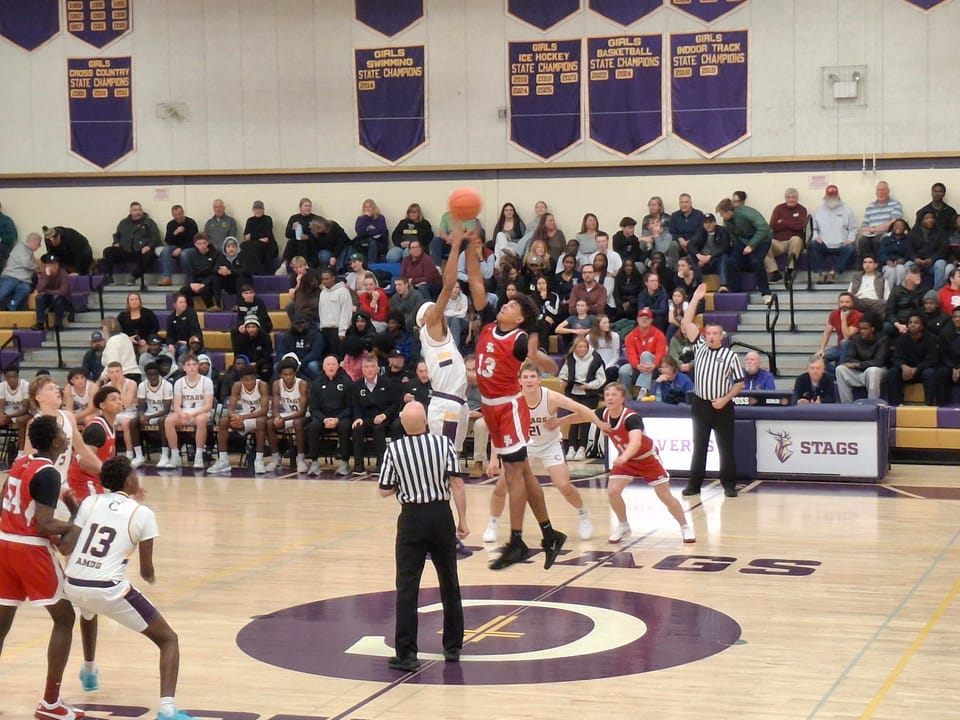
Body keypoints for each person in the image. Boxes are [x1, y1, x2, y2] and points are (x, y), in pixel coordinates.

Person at [61, 456, 196, 720]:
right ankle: (168, 710)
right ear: (127, 480)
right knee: (169, 639)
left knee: (88, 610)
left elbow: (69, 544)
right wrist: (154, 579)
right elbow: (146, 571)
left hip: (73, 583)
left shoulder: (90, 501)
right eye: (135, 474)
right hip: (108, 588)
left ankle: (89, 671)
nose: (138, 479)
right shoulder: (142, 513)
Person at [465, 227, 567, 571]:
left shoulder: (521, 338)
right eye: (505, 302)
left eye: (510, 305)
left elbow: (548, 363)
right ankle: (550, 534)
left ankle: (518, 540)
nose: (504, 305)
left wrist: (542, 359)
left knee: (513, 476)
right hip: (491, 409)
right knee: (523, 473)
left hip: (509, 409)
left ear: (519, 317)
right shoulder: (489, 324)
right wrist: (470, 249)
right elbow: (476, 284)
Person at [0, 416, 85, 720]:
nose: (66, 436)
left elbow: (3, 503)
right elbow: (44, 523)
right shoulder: (48, 473)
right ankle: (51, 704)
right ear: (54, 442)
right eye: (62, 433)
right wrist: (77, 528)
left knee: (1, 624)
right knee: (64, 618)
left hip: (4, 544)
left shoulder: (21, 462)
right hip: (28, 549)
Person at [377, 401, 467, 671]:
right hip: (441, 516)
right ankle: (452, 647)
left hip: (412, 519)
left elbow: (384, 489)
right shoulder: (444, 444)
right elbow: (457, 483)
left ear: (403, 425)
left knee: (407, 586)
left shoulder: (394, 449)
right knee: (449, 580)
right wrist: (463, 520)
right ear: (426, 421)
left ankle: (407, 654)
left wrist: (404, 484)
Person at [482, 363, 601, 544]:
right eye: (525, 377)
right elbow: (498, 429)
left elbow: (584, 411)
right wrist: (493, 459)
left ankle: (583, 513)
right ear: (519, 381)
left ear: (539, 379)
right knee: (501, 487)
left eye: (532, 377)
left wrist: (560, 421)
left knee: (564, 486)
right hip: (522, 446)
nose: (529, 380)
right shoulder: (512, 400)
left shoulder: (551, 397)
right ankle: (492, 523)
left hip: (549, 444)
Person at [600, 382, 696, 544]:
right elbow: (583, 414)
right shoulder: (603, 414)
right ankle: (623, 525)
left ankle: (685, 526)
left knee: (665, 496)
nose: (609, 398)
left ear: (623, 398)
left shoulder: (632, 418)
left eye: (614, 395)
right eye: (607, 394)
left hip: (647, 459)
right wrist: (560, 422)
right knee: (613, 491)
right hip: (627, 459)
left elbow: (636, 442)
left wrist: (623, 457)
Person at [680, 283, 744, 498]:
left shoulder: (730, 355)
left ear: (722, 336)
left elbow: (739, 383)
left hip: (722, 406)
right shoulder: (698, 347)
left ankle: (729, 485)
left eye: (715, 333)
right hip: (700, 405)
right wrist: (696, 299)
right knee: (699, 447)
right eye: (708, 333)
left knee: (726, 448)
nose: (711, 336)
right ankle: (694, 485)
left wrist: (725, 399)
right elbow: (686, 322)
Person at [207, 366, 272, 474]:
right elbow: (231, 409)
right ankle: (223, 460)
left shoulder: (262, 385)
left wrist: (242, 417)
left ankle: (259, 459)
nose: (249, 382)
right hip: (245, 418)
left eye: (252, 379)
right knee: (223, 421)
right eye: (246, 380)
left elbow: (264, 411)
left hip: (260, 417)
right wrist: (235, 417)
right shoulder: (237, 386)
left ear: (256, 378)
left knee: (261, 421)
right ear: (241, 380)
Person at [65, 385, 121, 508]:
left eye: (119, 399)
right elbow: (84, 463)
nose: (118, 402)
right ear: (102, 405)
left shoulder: (110, 425)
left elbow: (110, 458)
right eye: (113, 399)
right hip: (83, 481)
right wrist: (109, 474)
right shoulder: (96, 429)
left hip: (94, 479)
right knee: (92, 516)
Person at [157, 354, 214, 469]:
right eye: (188, 365)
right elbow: (176, 405)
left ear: (198, 366)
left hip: (201, 412)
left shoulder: (207, 381)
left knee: (201, 420)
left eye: (194, 364)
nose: (191, 367)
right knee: (168, 421)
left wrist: (192, 414)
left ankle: (198, 456)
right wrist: (182, 413)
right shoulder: (179, 382)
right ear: (184, 368)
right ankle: (175, 455)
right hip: (185, 412)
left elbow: (208, 405)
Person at [716, 197, 774, 303]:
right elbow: (733, 235)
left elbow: (764, 229)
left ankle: (766, 293)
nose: (721, 216)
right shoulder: (727, 221)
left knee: (756, 262)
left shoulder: (747, 213)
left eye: (722, 214)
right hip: (742, 241)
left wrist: (752, 245)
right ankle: (737, 292)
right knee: (731, 261)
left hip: (762, 240)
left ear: (729, 211)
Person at [557, 337, 606, 460]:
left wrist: (589, 386)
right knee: (573, 420)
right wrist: (564, 381)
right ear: (575, 348)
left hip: (590, 394)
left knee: (585, 420)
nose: (582, 349)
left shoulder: (596, 358)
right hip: (573, 393)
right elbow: (563, 373)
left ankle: (582, 448)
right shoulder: (570, 359)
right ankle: (571, 447)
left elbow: (601, 379)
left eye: (584, 347)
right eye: (579, 347)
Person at [305, 356, 353, 476]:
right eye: (328, 364)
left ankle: (344, 462)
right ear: (323, 367)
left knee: (345, 426)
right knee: (313, 426)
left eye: (333, 364)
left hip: (341, 417)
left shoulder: (346, 382)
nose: (331, 367)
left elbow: (350, 407)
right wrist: (324, 419)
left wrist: (337, 419)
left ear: (338, 366)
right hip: (323, 417)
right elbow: (313, 408)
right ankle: (314, 462)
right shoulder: (316, 384)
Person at [350, 355, 397, 474]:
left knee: (378, 428)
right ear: (362, 369)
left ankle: (381, 464)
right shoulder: (356, 386)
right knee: (357, 428)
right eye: (366, 367)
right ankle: (359, 466)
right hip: (366, 417)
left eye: (372, 366)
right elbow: (355, 405)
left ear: (377, 369)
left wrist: (384, 415)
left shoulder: (387, 383)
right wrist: (358, 417)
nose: (369, 369)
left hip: (383, 417)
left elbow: (395, 404)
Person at [102, 201, 162, 287]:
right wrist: (116, 242)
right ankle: (109, 278)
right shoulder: (123, 223)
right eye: (135, 210)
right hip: (125, 251)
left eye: (139, 210)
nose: (138, 212)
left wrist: (149, 246)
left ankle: (134, 276)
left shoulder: (149, 222)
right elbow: (117, 235)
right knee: (108, 251)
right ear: (130, 212)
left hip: (141, 251)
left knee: (149, 254)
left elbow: (155, 237)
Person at [835, 312, 889, 403]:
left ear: (872, 328)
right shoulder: (856, 339)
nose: (862, 331)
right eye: (860, 328)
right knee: (840, 369)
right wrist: (857, 365)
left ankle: (872, 404)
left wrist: (858, 364)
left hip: (878, 371)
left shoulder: (883, 339)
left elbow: (878, 362)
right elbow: (848, 359)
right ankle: (847, 405)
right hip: (860, 372)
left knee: (872, 370)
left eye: (865, 328)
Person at [886, 314, 938, 406]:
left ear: (922, 326)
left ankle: (929, 403)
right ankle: (896, 404)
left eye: (916, 322)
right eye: (910, 322)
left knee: (930, 372)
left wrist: (917, 369)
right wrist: (903, 366)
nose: (912, 325)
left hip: (921, 371)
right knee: (892, 372)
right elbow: (896, 357)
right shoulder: (901, 339)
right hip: (906, 372)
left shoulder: (931, 339)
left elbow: (932, 360)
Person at [268, 358, 309, 473]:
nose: (288, 377)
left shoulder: (302, 384)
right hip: (287, 415)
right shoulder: (277, 384)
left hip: (303, 416)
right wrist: (277, 418)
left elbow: (302, 411)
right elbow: (275, 408)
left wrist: (283, 418)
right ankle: (275, 459)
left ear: (295, 373)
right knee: (270, 423)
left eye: (291, 374)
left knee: (297, 422)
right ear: (280, 374)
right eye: (285, 374)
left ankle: (300, 460)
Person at [810, 185, 858, 284]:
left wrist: (850, 239)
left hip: (841, 244)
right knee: (813, 245)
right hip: (824, 243)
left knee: (850, 249)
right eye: (829, 195)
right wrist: (816, 237)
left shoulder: (847, 210)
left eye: (834, 195)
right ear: (825, 196)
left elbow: (853, 228)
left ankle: (833, 273)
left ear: (838, 195)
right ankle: (822, 273)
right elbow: (814, 228)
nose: (832, 197)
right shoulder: (818, 211)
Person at [103, 361, 144, 467]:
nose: (115, 375)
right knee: (104, 423)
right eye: (111, 372)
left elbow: (126, 403)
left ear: (122, 372)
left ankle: (129, 453)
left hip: (129, 412)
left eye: (117, 371)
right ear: (108, 374)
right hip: (114, 413)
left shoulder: (131, 383)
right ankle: (108, 453)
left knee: (126, 422)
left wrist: (119, 387)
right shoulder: (105, 387)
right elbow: (105, 407)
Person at [619, 308, 667, 395]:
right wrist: (637, 365)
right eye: (642, 318)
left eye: (647, 318)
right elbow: (631, 354)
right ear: (637, 319)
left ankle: (643, 390)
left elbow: (660, 353)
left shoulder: (658, 334)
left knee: (645, 354)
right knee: (623, 370)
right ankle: (627, 399)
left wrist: (654, 365)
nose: (644, 320)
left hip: (656, 365)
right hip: (638, 366)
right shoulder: (631, 336)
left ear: (651, 320)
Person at [765, 188, 807, 282]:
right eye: (789, 197)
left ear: (797, 198)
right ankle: (774, 272)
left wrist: (783, 222)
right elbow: (773, 225)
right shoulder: (779, 208)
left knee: (795, 239)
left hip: (793, 242)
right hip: (778, 242)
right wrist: (792, 223)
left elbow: (800, 226)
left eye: (793, 197)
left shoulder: (802, 209)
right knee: (764, 244)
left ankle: (790, 269)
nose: (791, 199)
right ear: (785, 198)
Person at [815, 292, 861, 371]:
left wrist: (844, 319)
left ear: (852, 303)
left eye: (847, 302)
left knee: (844, 342)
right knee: (818, 359)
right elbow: (827, 332)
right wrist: (821, 349)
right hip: (839, 347)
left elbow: (847, 336)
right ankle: (835, 376)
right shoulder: (834, 313)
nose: (844, 305)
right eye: (841, 302)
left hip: (853, 348)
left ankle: (840, 371)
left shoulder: (858, 316)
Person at [857, 181, 904, 260]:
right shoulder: (870, 206)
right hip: (870, 234)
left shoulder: (895, 204)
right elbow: (864, 226)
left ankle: (879, 267)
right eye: (879, 190)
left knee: (877, 240)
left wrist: (874, 229)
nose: (881, 192)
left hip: (886, 234)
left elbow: (894, 223)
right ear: (876, 192)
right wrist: (866, 230)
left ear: (888, 191)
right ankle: (867, 267)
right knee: (862, 241)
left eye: (883, 190)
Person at [687, 213, 734, 292]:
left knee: (724, 257)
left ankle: (723, 285)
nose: (708, 225)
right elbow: (691, 245)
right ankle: (696, 284)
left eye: (710, 222)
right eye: (706, 223)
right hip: (702, 261)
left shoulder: (722, 231)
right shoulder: (700, 231)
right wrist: (698, 255)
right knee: (690, 257)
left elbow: (724, 247)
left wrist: (710, 256)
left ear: (715, 223)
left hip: (715, 260)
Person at [159, 204, 199, 286]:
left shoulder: (191, 223)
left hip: (189, 247)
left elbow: (195, 241)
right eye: (176, 215)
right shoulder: (170, 224)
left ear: (183, 213)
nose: (178, 216)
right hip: (174, 246)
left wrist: (181, 248)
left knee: (184, 254)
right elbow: (168, 241)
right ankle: (167, 277)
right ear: (173, 215)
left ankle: (189, 278)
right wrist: (175, 233)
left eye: (180, 214)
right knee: (165, 250)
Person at [0, 232, 41, 311]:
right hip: (11, 277)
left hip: (23, 281)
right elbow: (26, 263)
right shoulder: (20, 248)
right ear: (33, 241)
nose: (39, 246)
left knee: (25, 289)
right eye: (39, 244)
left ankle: (11, 306)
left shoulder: (30, 252)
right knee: (2, 293)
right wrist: (37, 267)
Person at [318, 268, 353, 359]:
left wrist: (342, 331)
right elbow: (321, 311)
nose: (324, 281)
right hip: (325, 329)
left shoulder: (343, 292)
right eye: (323, 279)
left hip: (337, 330)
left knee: (337, 357)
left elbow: (346, 312)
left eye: (327, 279)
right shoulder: (323, 293)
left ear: (333, 278)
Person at [180, 233, 220, 309]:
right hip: (196, 281)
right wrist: (192, 283)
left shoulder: (215, 254)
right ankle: (190, 309)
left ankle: (210, 307)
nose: (202, 245)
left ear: (208, 243)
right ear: (195, 244)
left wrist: (204, 284)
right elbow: (191, 272)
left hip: (210, 283)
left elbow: (214, 272)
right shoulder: (192, 255)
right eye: (199, 243)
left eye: (204, 243)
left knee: (203, 290)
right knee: (183, 290)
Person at [32, 254, 72, 331]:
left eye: (55, 264)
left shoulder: (63, 274)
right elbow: (39, 289)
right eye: (50, 264)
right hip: (49, 299)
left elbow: (63, 291)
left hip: (63, 301)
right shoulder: (44, 274)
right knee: (39, 297)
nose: (53, 266)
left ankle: (58, 324)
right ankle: (40, 323)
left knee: (57, 298)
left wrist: (47, 291)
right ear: (46, 265)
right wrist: (47, 276)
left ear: (58, 264)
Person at [241, 200, 279, 275]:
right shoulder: (250, 220)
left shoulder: (268, 219)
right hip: (254, 244)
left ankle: (258, 271)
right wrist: (257, 237)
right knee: (244, 245)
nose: (258, 211)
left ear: (263, 210)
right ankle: (249, 271)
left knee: (254, 246)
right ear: (253, 210)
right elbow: (246, 236)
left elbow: (266, 236)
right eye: (256, 209)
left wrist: (252, 236)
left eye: (260, 209)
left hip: (268, 245)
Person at [232, 317, 274, 382]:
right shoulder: (241, 339)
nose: (251, 330)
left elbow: (267, 355)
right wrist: (247, 363)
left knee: (266, 368)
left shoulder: (265, 337)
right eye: (248, 327)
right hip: (246, 363)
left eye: (253, 327)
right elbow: (238, 354)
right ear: (245, 328)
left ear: (258, 328)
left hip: (261, 363)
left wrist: (257, 363)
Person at [137, 362, 173, 436]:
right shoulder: (142, 385)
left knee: (161, 421)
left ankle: (164, 447)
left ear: (158, 374)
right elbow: (141, 406)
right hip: (149, 413)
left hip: (164, 414)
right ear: (146, 375)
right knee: (133, 422)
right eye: (150, 374)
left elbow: (167, 410)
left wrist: (149, 417)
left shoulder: (167, 385)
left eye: (155, 374)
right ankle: (138, 447)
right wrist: (141, 416)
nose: (153, 377)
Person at [0, 365, 30, 452]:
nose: (12, 379)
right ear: (5, 377)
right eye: (9, 377)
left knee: (20, 421)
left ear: (18, 376)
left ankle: (21, 451)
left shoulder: (25, 385)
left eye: (14, 377)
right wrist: (1, 417)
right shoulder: (2, 386)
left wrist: (9, 416)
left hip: (24, 413)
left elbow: (25, 408)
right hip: (9, 413)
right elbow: (1, 406)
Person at [165, 293, 203, 360]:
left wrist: (188, 342)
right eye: (181, 302)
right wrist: (170, 344)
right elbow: (169, 335)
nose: (183, 304)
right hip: (177, 343)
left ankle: (183, 367)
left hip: (191, 343)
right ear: (174, 305)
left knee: (183, 349)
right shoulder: (171, 317)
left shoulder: (191, 314)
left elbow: (195, 331)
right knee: (166, 349)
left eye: (184, 302)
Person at [937, 307, 960, 405]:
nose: (957, 319)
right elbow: (943, 354)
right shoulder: (944, 333)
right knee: (941, 372)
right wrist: (953, 368)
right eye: (955, 317)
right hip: (949, 365)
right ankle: (942, 406)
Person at [353, 198, 389, 263]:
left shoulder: (380, 217)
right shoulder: (361, 218)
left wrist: (366, 232)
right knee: (353, 244)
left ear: (374, 208)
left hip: (378, 240)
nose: (367, 209)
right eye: (365, 207)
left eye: (369, 207)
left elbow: (381, 231)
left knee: (372, 242)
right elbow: (358, 231)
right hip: (364, 239)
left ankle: (371, 264)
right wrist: (365, 217)